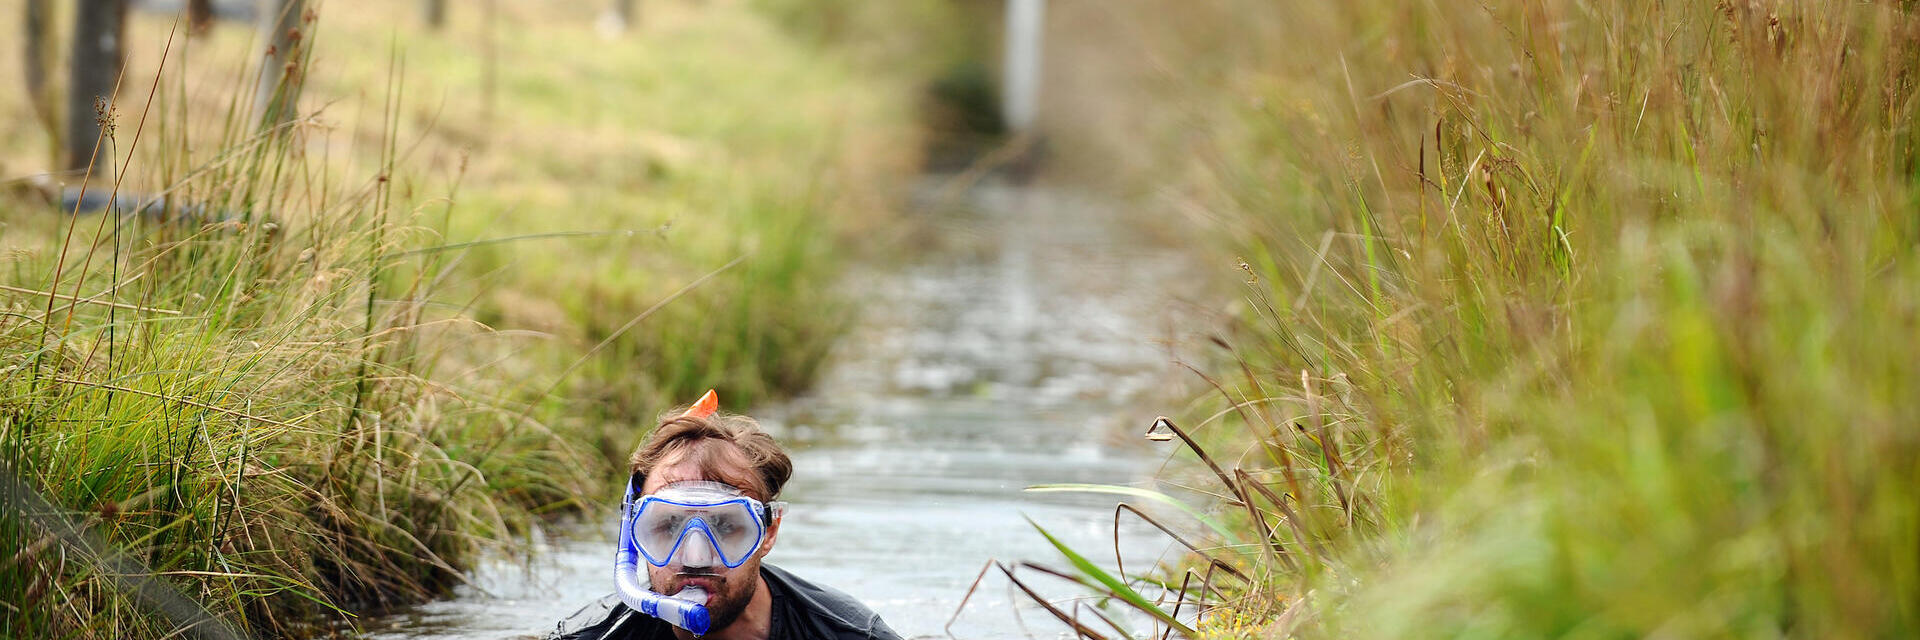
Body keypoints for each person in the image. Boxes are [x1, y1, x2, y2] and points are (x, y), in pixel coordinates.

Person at [551, 391, 901, 640]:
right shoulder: (589, 636)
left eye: (726, 525)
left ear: (768, 532)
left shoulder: (849, 634)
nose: (696, 557)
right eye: (668, 524)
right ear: (633, 532)